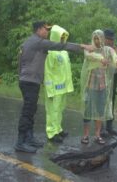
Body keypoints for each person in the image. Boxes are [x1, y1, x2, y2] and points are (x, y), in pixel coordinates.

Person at [15, 21, 94, 153]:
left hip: (30, 81)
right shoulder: (37, 41)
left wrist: (22, 75)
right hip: (29, 82)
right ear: (39, 29)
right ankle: (20, 142)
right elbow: (60, 45)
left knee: (31, 111)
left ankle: (29, 138)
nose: (47, 32)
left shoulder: (32, 43)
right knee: (27, 113)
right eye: (46, 29)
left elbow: (20, 61)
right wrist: (83, 46)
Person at [80, 29, 117, 145]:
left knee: (99, 112)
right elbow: (89, 56)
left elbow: (114, 55)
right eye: (95, 38)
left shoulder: (107, 50)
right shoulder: (89, 49)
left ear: (103, 39)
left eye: (99, 38)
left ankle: (97, 135)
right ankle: (85, 135)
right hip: (90, 85)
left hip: (102, 86)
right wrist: (101, 59)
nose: (97, 41)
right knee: (87, 112)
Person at [44, 25, 73, 143]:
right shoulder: (50, 53)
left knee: (59, 110)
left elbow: (67, 71)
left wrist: (68, 86)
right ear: (56, 37)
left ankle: (58, 129)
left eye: (64, 38)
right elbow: (48, 72)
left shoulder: (64, 52)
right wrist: (49, 89)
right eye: (61, 38)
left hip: (63, 88)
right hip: (54, 89)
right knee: (52, 111)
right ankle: (51, 133)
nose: (62, 40)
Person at [101, 29, 117, 136]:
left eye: (111, 39)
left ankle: (109, 126)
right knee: (101, 101)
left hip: (113, 77)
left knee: (111, 101)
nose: (110, 42)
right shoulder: (98, 47)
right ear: (104, 39)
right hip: (101, 77)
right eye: (108, 39)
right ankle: (101, 129)